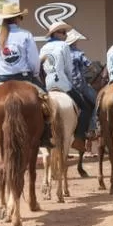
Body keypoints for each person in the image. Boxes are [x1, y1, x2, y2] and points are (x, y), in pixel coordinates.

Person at [0, 2, 53, 150]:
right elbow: (34, 61)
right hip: (24, 77)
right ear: (18, 18)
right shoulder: (26, 35)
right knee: (47, 103)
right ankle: (46, 136)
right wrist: (34, 75)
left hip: (2, 78)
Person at [40, 22, 91, 151]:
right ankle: (79, 137)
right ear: (55, 33)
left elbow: (39, 67)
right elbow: (69, 68)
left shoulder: (44, 47)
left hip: (48, 85)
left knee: (40, 111)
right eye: (62, 32)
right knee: (85, 108)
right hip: (63, 84)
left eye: (65, 32)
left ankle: (44, 137)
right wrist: (69, 81)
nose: (65, 35)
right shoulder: (64, 46)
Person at [67, 28, 99, 142]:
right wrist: (94, 69)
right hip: (79, 84)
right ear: (74, 41)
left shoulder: (63, 52)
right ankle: (92, 128)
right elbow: (89, 65)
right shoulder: (78, 53)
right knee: (97, 101)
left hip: (66, 85)